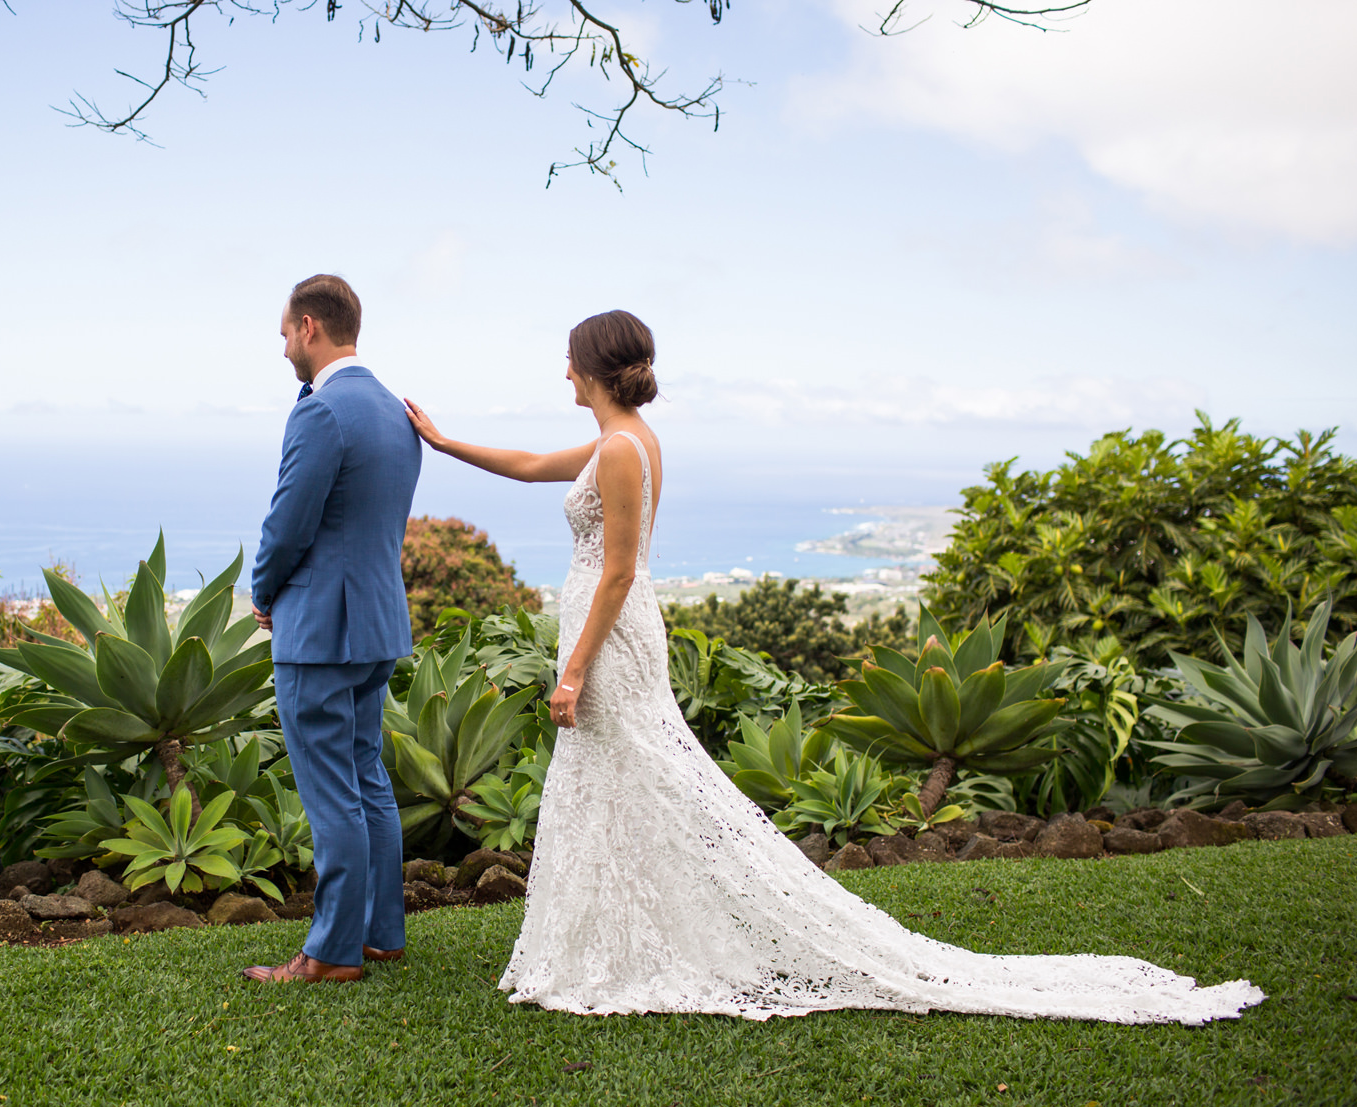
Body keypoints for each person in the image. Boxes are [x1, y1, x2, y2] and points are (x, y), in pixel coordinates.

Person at [402, 309, 1265, 1023]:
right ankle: (608, 942)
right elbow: (524, 465)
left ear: (590, 367)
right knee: (618, 781)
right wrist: (442, 443)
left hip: (612, 635)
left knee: (644, 777)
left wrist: (574, 669)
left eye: (567, 360)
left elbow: (622, 568)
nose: (562, 371)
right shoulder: (614, 442)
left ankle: (632, 947)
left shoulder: (625, 449)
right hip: (606, 631)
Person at [242, 274, 421, 984]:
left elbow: (289, 521)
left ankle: (332, 952)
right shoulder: (393, 410)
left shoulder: (321, 412)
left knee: (330, 790)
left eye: (285, 331)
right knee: (366, 776)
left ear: (310, 326)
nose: (282, 344)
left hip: (319, 631)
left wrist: (263, 591)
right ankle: (380, 934)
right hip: (376, 623)